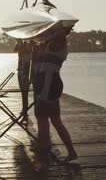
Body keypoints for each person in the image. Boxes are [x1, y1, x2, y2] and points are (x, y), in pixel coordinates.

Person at [33, 32, 78, 171]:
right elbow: (38, 68)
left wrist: (42, 95)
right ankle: (71, 152)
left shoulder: (57, 48)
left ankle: (44, 159)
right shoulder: (53, 46)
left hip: (49, 87)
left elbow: (42, 70)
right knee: (55, 122)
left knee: (43, 124)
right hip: (49, 86)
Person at [14, 40, 32, 122]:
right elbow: (14, 49)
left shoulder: (27, 45)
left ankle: (25, 110)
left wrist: (23, 46)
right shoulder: (20, 44)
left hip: (25, 73)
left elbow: (29, 52)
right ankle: (24, 109)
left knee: (25, 92)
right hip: (20, 72)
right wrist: (18, 43)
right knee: (22, 92)